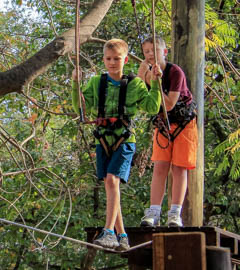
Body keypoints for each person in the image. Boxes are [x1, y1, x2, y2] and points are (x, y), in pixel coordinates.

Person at [72, 39, 162, 250]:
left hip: (124, 140)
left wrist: (156, 83)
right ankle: (122, 236)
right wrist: (75, 84)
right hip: (102, 139)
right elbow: (81, 109)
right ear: (104, 60)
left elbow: (151, 107)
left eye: (117, 59)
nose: (112, 63)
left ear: (126, 59)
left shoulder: (135, 84)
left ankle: (109, 231)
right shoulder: (96, 83)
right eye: (109, 59)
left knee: (112, 181)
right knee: (111, 187)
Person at [137, 36, 198, 227]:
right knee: (160, 166)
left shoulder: (174, 72)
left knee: (179, 168)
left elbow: (169, 104)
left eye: (154, 50)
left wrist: (151, 80)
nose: (150, 55)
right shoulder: (144, 71)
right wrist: (143, 78)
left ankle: (175, 213)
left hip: (183, 123)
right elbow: (141, 99)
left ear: (164, 52)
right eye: (146, 51)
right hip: (163, 124)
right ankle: (154, 211)